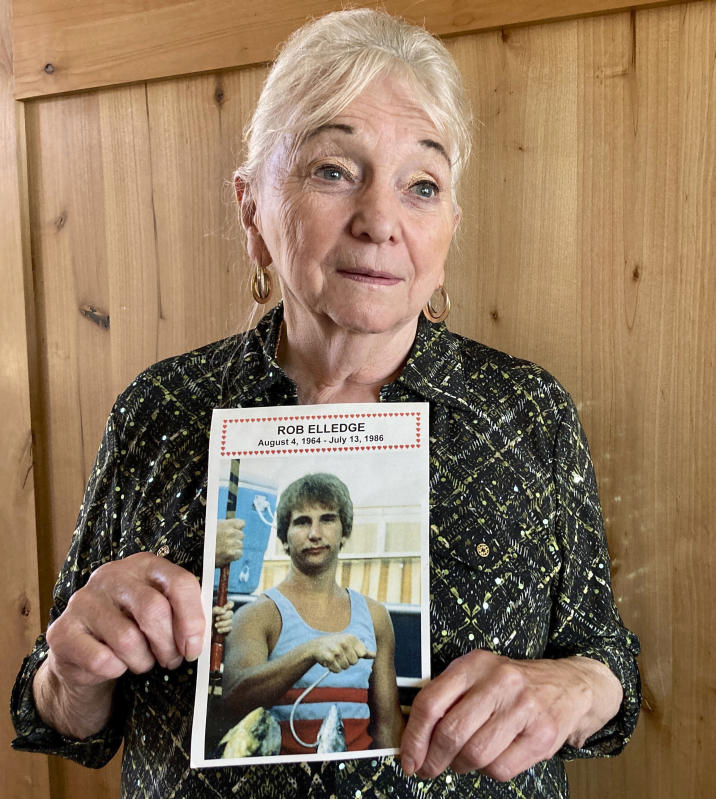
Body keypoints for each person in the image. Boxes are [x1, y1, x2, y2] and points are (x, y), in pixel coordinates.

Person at [11, 8, 641, 797]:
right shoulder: (162, 409)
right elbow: (61, 717)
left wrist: (580, 686)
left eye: (422, 184)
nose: (381, 221)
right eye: (333, 170)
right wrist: (72, 672)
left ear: (449, 224)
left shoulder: (525, 412)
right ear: (252, 210)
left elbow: (608, 663)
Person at [220, 473, 403, 753]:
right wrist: (310, 651)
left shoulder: (376, 616)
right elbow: (233, 703)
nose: (315, 533)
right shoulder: (257, 615)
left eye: (327, 519)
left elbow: (387, 725)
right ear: (284, 537)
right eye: (302, 521)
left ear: (344, 532)